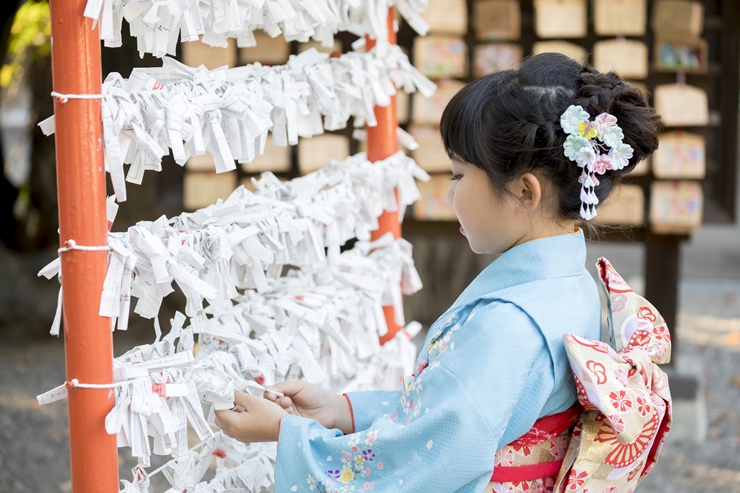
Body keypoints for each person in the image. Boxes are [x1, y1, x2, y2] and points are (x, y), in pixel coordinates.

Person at [214, 53, 661, 493]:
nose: (449, 195)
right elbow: (455, 415)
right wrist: (339, 411)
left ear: (525, 190)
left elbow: (430, 459)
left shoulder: (506, 324)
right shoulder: (573, 287)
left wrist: (290, 435)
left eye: (459, 174)